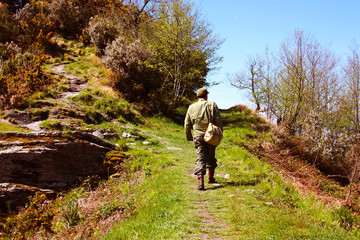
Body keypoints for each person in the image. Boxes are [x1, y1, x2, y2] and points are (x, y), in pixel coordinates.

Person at [184, 88, 223, 190]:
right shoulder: (212, 105)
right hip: (211, 135)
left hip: (198, 136)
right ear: (206, 96)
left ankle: (201, 182)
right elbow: (218, 121)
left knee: (200, 157)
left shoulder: (191, 107)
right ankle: (211, 177)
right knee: (211, 156)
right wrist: (220, 134)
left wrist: (189, 137)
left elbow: (187, 124)